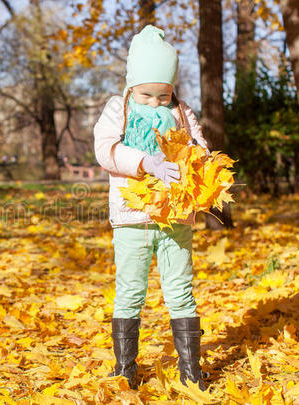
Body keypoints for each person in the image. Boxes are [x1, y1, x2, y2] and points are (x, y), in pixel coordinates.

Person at [93, 25, 210, 391]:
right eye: (148, 94)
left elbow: (201, 148)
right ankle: (125, 368)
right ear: (131, 86)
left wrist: (194, 159)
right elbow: (105, 150)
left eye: (164, 95)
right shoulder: (120, 108)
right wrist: (147, 161)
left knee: (180, 289)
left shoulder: (182, 112)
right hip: (132, 220)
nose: (157, 103)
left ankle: (190, 372)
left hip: (175, 217)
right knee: (130, 289)